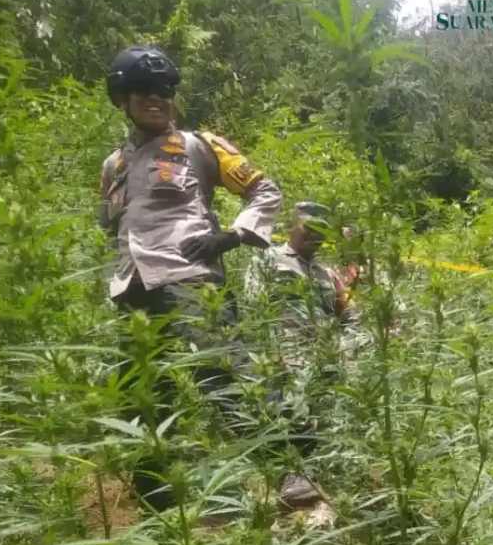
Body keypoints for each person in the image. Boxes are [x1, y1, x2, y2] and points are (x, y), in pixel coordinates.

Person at [98, 45, 282, 509]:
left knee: (224, 372)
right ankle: (157, 500)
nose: (156, 98)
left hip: (190, 278)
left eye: (164, 90)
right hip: (133, 286)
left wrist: (231, 237)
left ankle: (288, 468)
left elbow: (264, 190)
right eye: (144, 89)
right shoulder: (113, 166)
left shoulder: (199, 145)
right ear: (122, 99)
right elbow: (113, 225)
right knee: (141, 392)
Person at [244, 202, 349, 507]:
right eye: (308, 229)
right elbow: (255, 305)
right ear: (292, 227)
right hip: (284, 349)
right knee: (292, 409)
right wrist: (268, 350)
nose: (314, 237)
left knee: (327, 414)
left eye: (320, 232)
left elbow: (346, 312)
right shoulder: (268, 259)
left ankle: (316, 474)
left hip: (324, 353)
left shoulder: (326, 273)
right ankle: (292, 476)